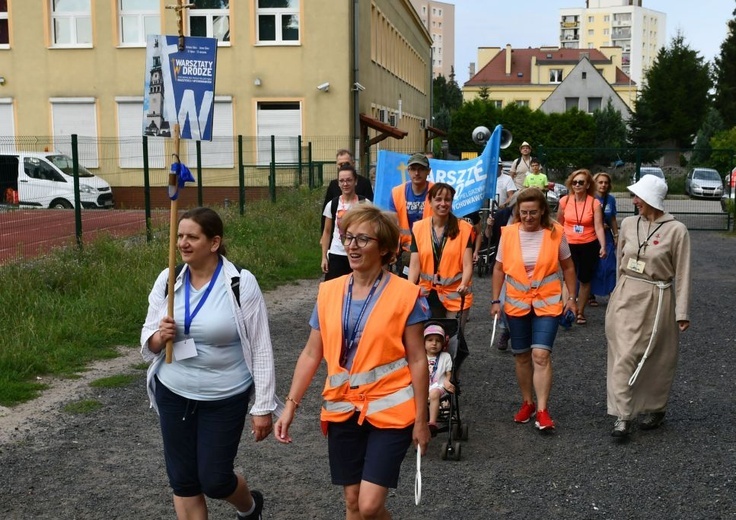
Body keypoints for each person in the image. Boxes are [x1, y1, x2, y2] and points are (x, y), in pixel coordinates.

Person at [274, 204, 431, 519]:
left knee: (370, 505)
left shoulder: (405, 294)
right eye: (348, 238)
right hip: (342, 408)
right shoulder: (328, 292)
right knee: (352, 504)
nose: (352, 246)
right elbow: (310, 353)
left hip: (391, 409)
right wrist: (290, 405)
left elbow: (417, 358)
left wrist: (421, 418)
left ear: (384, 248)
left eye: (363, 239)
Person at [140, 207, 282, 520]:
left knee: (215, 479)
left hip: (224, 397)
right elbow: (147, 339)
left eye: (192, 236)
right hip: (174, 391)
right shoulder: (168, 278)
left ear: (214, 242)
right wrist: (157, 338)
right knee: (184, 480)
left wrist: (263, 407)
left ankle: (250, 507)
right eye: (179, 236)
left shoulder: (239, 283)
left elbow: (260, 347)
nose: (182, 243)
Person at [606, 175, 691, 438]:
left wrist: (682, 312)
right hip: (626, 295)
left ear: (651, 199)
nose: (634, 201)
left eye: (638, 197)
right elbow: (621, 260)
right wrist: (615, 296)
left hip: (658, 296)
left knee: (657, 356)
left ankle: (655, 406)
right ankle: (622, 415)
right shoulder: (629, 224)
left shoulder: (677, 230)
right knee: (623, 354)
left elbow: (683, 273)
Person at [491, 188, 578, 431]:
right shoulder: (508, 234)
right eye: (524, 212)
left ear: (542, 211)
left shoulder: (556, 233)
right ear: (518, 211)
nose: (528, 217)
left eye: (533, 212)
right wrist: (495, 300)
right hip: (517, 302)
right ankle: (527, 402)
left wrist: (572, 297)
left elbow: (568, 267)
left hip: (548, 302)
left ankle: (542, 409)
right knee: (521, 355)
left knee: (541, 355)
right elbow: (498, 269)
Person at [408, 183, 474, 324]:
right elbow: (414, 265)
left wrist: (464, 284)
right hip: (427, 293)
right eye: (438, 199)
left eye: (447, 200)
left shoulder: (464, 228)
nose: (443, 204)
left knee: (453, 340)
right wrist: (410, 289)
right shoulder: (419, 228)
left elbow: (468, 264)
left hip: (456, 293)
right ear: (430, 201)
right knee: (430, 339)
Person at [557, 169, 607, 325]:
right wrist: (556, 242)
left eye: (581, 182)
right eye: (574, 182)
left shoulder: (594, 202)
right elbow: (559, 223)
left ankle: (580, 311)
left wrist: (603, 246)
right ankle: (567, 308)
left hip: (588, 244)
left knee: (585, 278)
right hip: (568, 243)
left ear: (587, 185)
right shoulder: (564, 201)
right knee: (567, 277)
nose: (577, 185)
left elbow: (598, 226)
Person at [485, 160, 517, 350]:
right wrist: (489, 224)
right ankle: (506, 330)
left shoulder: (532, 219)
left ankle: (517, 333)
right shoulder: (503, 216)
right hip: (505, 262)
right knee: (505, 301)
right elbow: (489, 236)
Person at [321, 164, 369, 280]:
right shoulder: (332, 204)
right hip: (337, 254)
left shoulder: (365, 203)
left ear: (355, 181)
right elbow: (327, 232)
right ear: (338, 183)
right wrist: (324, 257)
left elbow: (371, 231)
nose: (345, 184)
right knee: (334, 292)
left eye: (349, 180)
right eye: (342, 181)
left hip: (358, 254)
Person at [390, 152, 434, 275]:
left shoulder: (437, 192)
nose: (417, 173)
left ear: (428, 171)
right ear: (408, 170)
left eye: (421, 169)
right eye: (413, 169)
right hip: (406, 253)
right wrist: (392, 250)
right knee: (407, 289)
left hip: (431, 251)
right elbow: (393, 225)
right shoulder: (396, 192)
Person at [321, 149, 374, 233]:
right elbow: (327, 213)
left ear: (353, 163)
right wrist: (324, 235)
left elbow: (370, 211)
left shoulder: (364, 183)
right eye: (340, 164)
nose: (344, 166)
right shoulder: (333, 184)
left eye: (347, 163)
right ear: (337, 165)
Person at [589, 172, 619, 306]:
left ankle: (611, 291)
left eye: (606, 182)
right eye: (600, 182)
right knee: (593, 265)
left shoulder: (611, 199)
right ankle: (590, 294)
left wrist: (616, 234)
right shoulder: (589, 198)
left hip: (606, 236)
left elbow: (612, 218)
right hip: (591, 236)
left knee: (609, 264)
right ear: (595, 183)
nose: (603, 185)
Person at [424, 322, 454, 435]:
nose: (434, 343)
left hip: (438, 385)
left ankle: (432, 422)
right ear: (423, 343)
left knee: (434, 393)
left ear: (443, 343)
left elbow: (448, 373)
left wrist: (447, 381)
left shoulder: (445, 357)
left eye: (438, 341)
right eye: (430, 340)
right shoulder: (420, 357)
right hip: (423, 385)